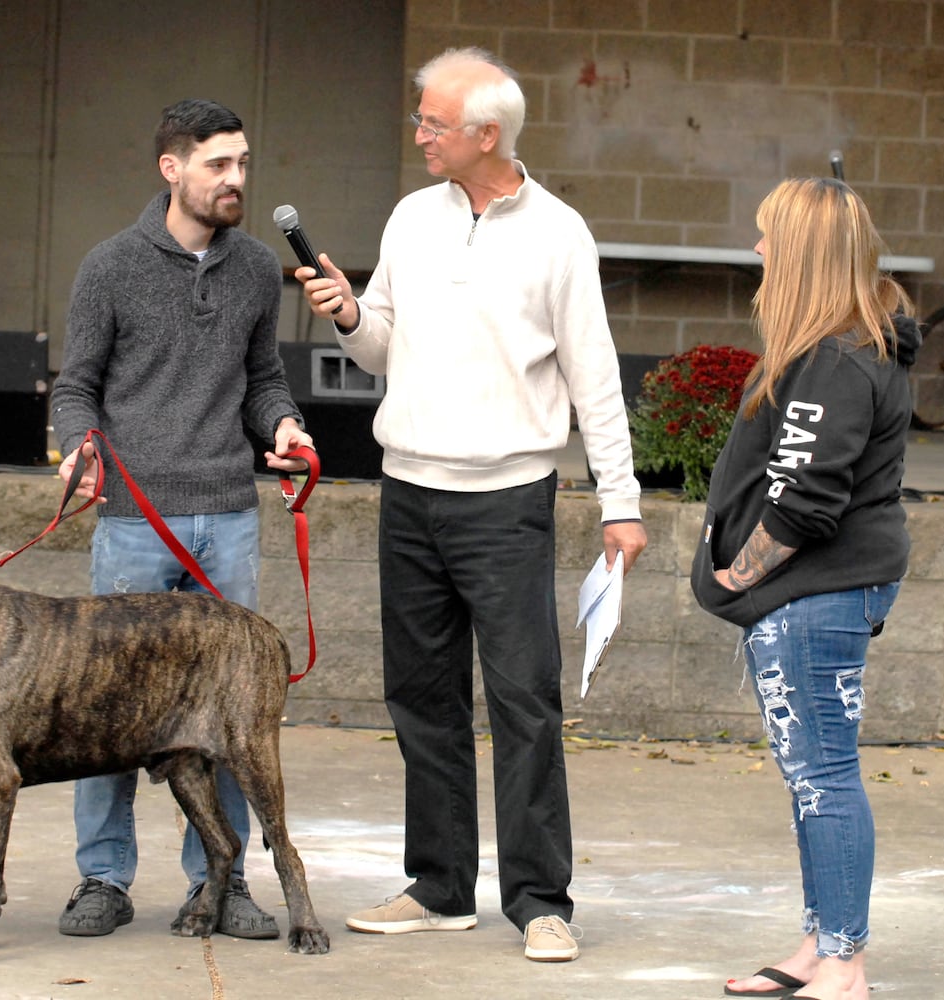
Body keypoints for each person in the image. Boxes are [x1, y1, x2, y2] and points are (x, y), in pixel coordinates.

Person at [295, 47, 647, 964]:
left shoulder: (560, 232)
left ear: (485, 134)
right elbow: (380, 350)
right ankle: (442, 886)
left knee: (523, 700)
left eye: (433, 124)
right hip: (408, 491)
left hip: (507, 501)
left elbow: (595, 376)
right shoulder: (413, 217)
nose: (419, 135)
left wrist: (622, 500)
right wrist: (345, 313)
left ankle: (540, 901)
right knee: (422, 697)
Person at [48, 98, 313, 941]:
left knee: (232, 720)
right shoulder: (110, 266)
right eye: (219, 165)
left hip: (227, 517)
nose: (237, 178)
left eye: (243, 162)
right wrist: (78, 446)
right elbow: (75, 386)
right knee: (104, 708)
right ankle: (103, 878)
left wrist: (282, 423)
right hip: (133, 520)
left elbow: (263, 377)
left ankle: (222, 880)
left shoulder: (255, 269)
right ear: (173, 168)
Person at [691, 177, 920, 1000]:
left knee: (824, 774)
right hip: (821, 593)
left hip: (815, 595)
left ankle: (846, 963)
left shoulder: (836, 359)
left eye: (766, 236)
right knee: (812, 773)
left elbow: (804, 496)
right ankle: (821, 945)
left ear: (803, 254)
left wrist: (736, 573)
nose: (756, 251)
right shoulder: (844, 347)